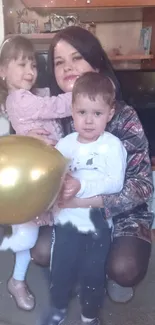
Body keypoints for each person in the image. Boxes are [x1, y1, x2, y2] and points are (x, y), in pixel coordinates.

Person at [30, 26, 154, 307]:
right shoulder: (51, 116)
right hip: (67, 207)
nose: (67, 68)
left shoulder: (123, 116)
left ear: (96, 62)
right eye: (59, 62)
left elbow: (143, 186)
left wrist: (87, 201)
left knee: (124, 268)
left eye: (76, 58)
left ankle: (102, 264)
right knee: (40, 253)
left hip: (120, 209)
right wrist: (37, 147)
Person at [44, 71, 127, 325]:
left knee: (93, 274)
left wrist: (80, 185)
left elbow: (115, 184)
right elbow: (51, 175)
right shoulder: (66, 145)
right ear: (72, 111)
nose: (89, 121)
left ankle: (89, 316)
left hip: (97, 224)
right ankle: (58, 308)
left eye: (97, 114)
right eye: (82, 113)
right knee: (60, 270)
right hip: (66, 222)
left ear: (109, 114)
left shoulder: (113, 146)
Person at [0, 35, 72, 311]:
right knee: (27, 237)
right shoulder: (20, 99)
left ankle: (23, 279)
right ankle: (17, 280)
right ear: (3, 70)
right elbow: (53, 107)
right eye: (21, 65)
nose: (30, 71)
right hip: (29, 183)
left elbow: (42, 99)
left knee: (41, 232)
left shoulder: (22, 97)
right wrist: (80, 93)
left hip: (41, 176)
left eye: (33, 65)